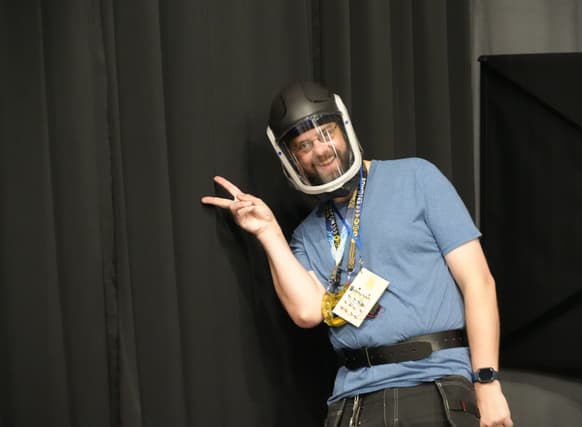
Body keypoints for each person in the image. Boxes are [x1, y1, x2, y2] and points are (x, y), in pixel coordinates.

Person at [201, 81, 513, 427]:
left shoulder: (416, 177)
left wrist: (487, 382)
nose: (320, 150)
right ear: (291, 159)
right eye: (304, 145)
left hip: (434, 385)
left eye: (326, 133)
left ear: (344, 129)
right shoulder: (306, 235)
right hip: (353, 402)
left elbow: (478, 283)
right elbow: (307, 312)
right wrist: (268, 232)